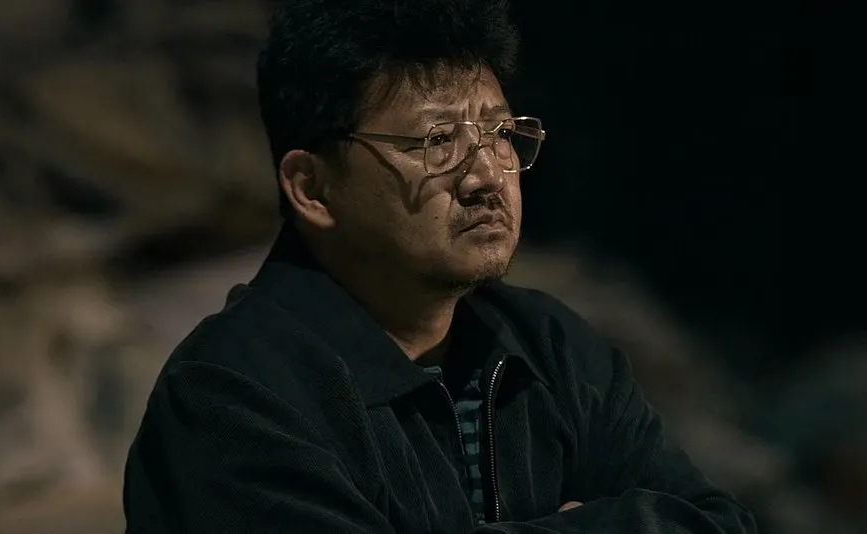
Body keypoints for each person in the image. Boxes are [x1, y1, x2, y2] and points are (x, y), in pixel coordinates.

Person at [121, 0, 757, 532]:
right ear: (311, 187)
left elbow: (719, 523)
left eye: (500, 134)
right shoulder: (232, 397)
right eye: (437, 141)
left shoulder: (549, 348)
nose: (487, 177)